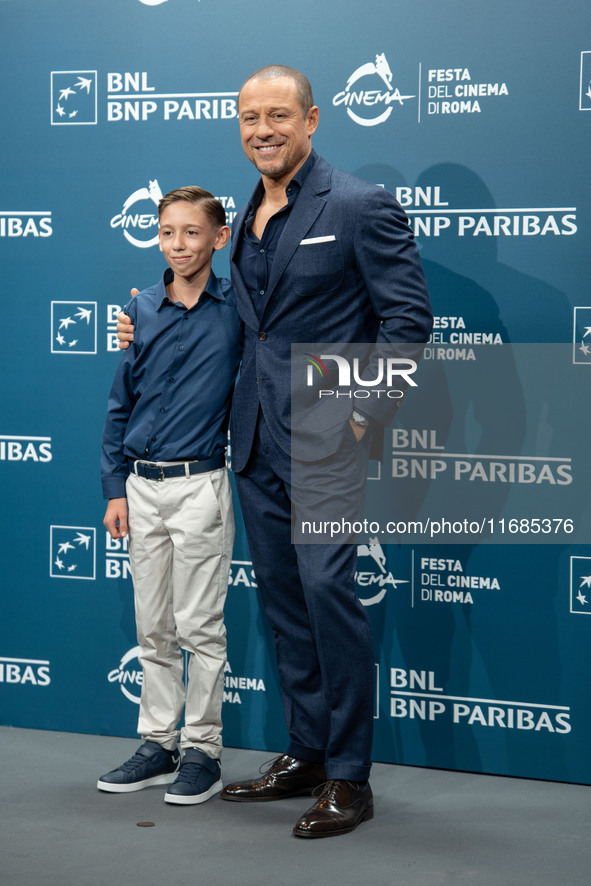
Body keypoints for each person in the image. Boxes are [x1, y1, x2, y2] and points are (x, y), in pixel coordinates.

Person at [118, 65, 432, 837]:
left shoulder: (359, 205)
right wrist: (143, 328)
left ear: (312, 120)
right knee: (288, 607)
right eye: (250, 117)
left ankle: (351, 777)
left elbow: (407, 325)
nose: (263, 129)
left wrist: (355, 422)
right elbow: (240, 323)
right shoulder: (247, 213)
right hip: (253, 440)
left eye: (278, 116)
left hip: (326, 443)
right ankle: (307, 753)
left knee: (329, 598)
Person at [100, 187, 242, 805]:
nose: (178, 245)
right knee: (152, 625)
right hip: (141, 486)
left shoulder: (242, 308)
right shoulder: (140, 308)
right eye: (167, 233)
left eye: (191, 233)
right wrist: (115, 488)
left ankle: (203, 752)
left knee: (200, 627)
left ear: (220, 237)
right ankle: (158, 743)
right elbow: (119, 403)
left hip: (201, 486)